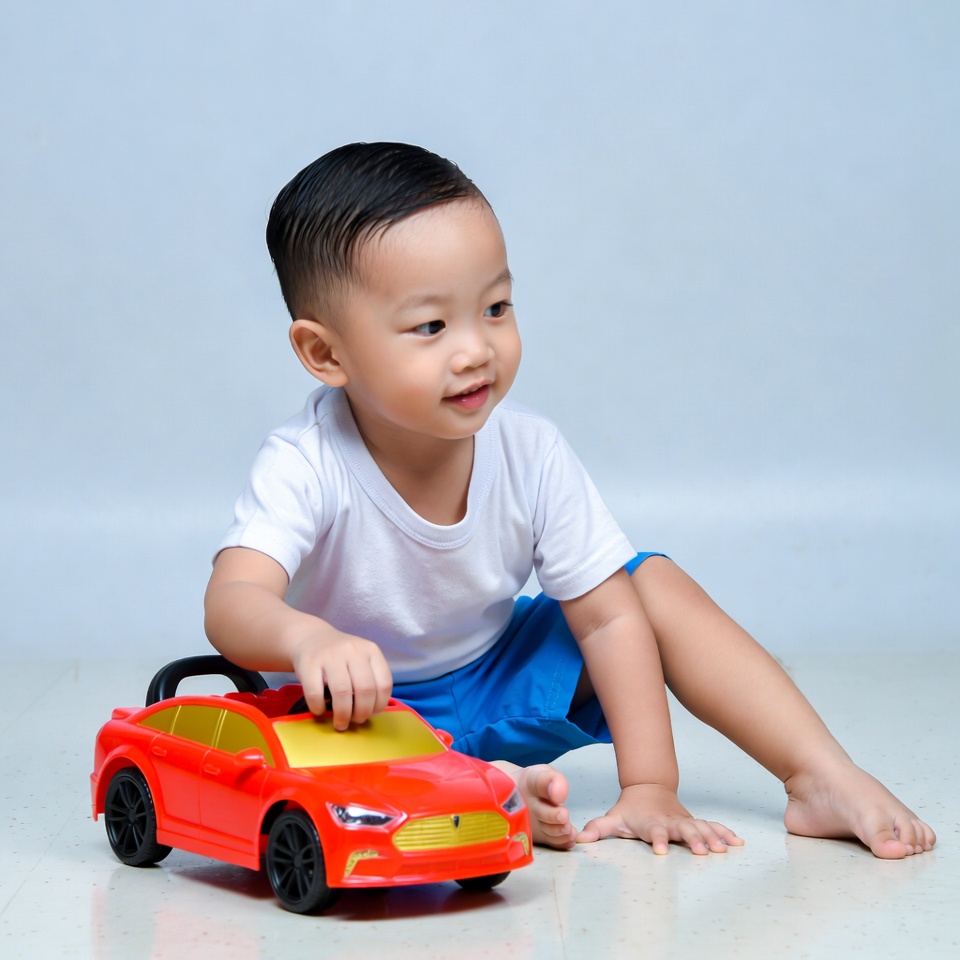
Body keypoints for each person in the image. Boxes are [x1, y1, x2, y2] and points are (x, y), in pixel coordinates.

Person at [204, 141, 935, 859]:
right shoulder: (306, 462)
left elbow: (609, 618)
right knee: (300, 763)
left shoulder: (530, 448)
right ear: (326, 353)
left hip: (497, 677)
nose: (476, 349)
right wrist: (309, 640)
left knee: (648, 584)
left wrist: (649, 784)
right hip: (351, 715)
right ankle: (489, 796)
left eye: (495, 307)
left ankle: (819, 775)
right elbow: (232, 602)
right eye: (431, 326)